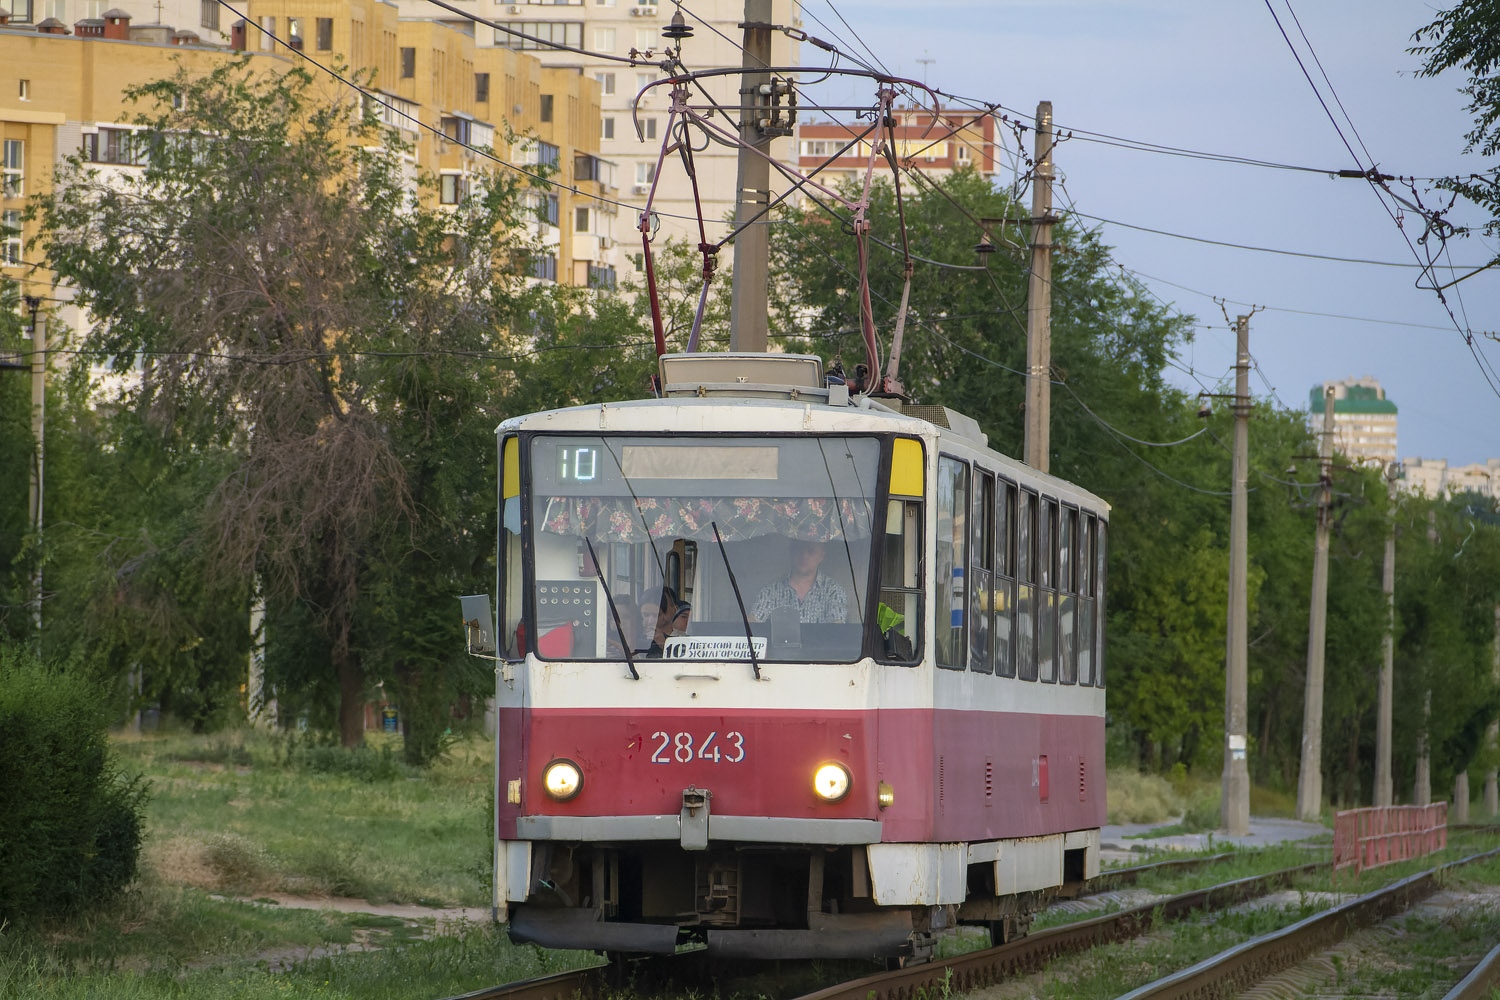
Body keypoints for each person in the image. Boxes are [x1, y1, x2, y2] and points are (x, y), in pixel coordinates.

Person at [752, 538, 848, 623]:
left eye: (811, 551)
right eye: (799, 549)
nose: (804, 556)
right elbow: (753, 622)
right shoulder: (771, 591)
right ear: (791, 552)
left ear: (821, 556)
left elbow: (837, 627)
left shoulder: (833, 591)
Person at [644, 586, 691, 657]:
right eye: (646, 615)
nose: (650, 621)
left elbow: (685, 661)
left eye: (657, 614)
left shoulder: (685, 639)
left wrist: (663, 643)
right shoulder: (638, 638)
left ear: (674, 610)